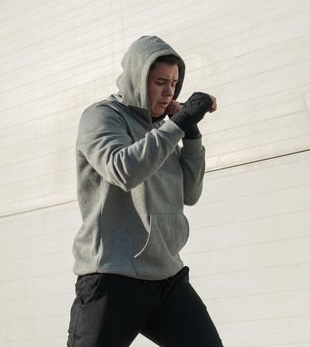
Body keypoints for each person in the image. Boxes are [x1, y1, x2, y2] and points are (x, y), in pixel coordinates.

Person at [67, 35, 223, 346]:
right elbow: (123, 170)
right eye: (160, 82)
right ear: (139, 79)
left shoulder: (161, 131)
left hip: (167, 279)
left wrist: (191, 136)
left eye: (174, 83)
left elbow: (189, 194)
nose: (169, 93)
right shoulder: (101, 117)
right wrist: (177, 125)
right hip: (112, 277)